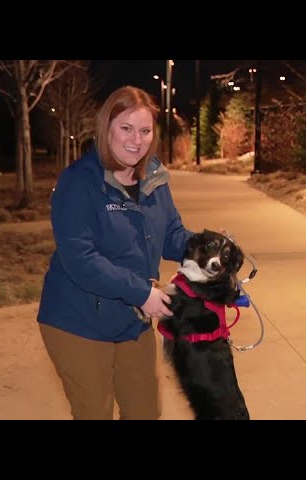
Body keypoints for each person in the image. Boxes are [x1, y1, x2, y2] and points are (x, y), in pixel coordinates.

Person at [37, 85, 194, 420]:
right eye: (126, 128)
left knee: (145, 411)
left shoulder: (153, 177)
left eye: (145, 131)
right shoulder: (79, 182)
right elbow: (81, 260)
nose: (136, 140)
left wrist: (210, 250)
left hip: (131, 320)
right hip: (78, 321)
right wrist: (141, 293)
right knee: (94, 411)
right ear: (106, 126)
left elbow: (171, 236)